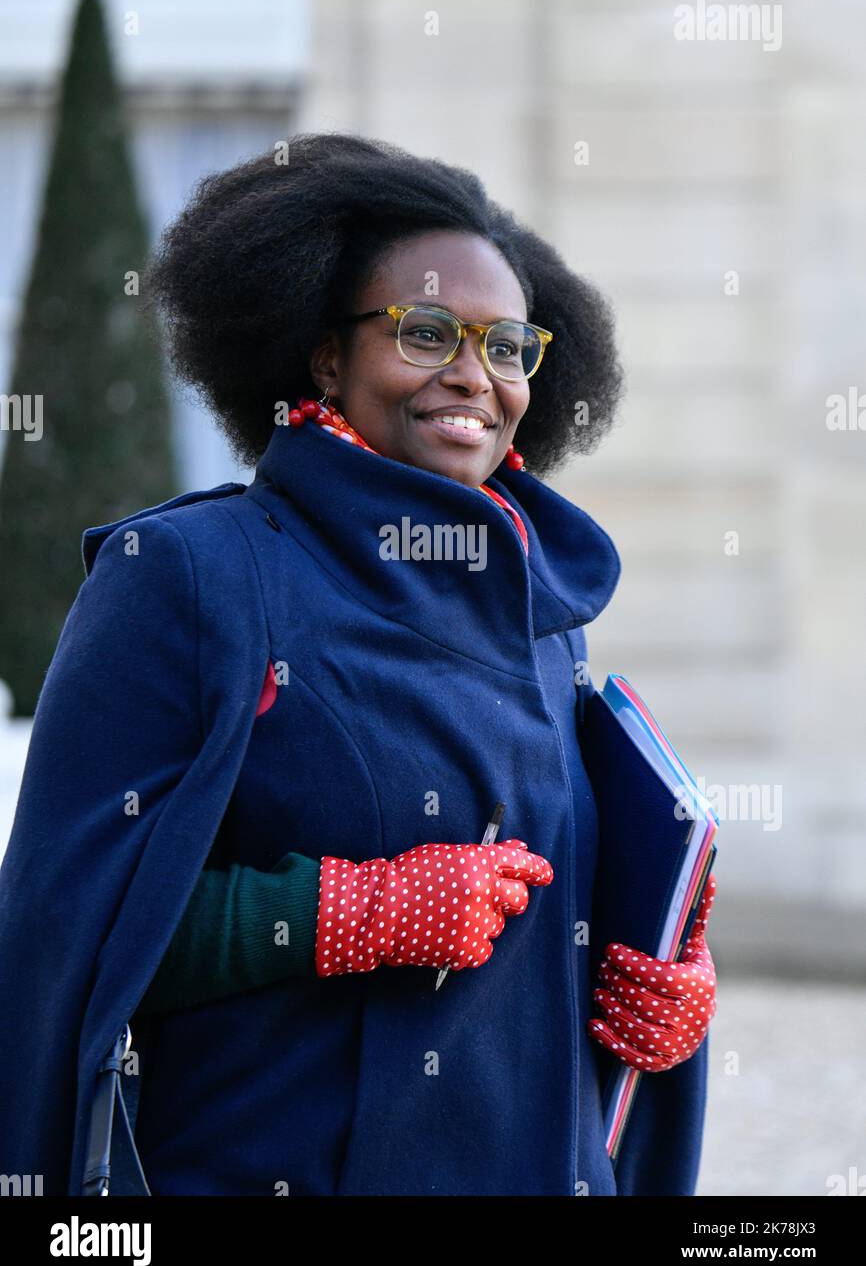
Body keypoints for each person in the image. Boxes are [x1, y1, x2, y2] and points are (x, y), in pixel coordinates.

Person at [0, 132, 716, 1197]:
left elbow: (547, 935)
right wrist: (335, 913)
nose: (474, 375)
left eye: (508, 346)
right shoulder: (188, 575)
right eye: (425, 332)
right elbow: (65, 919)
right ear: (322, 354)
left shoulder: (542, 613)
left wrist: (652, 989)